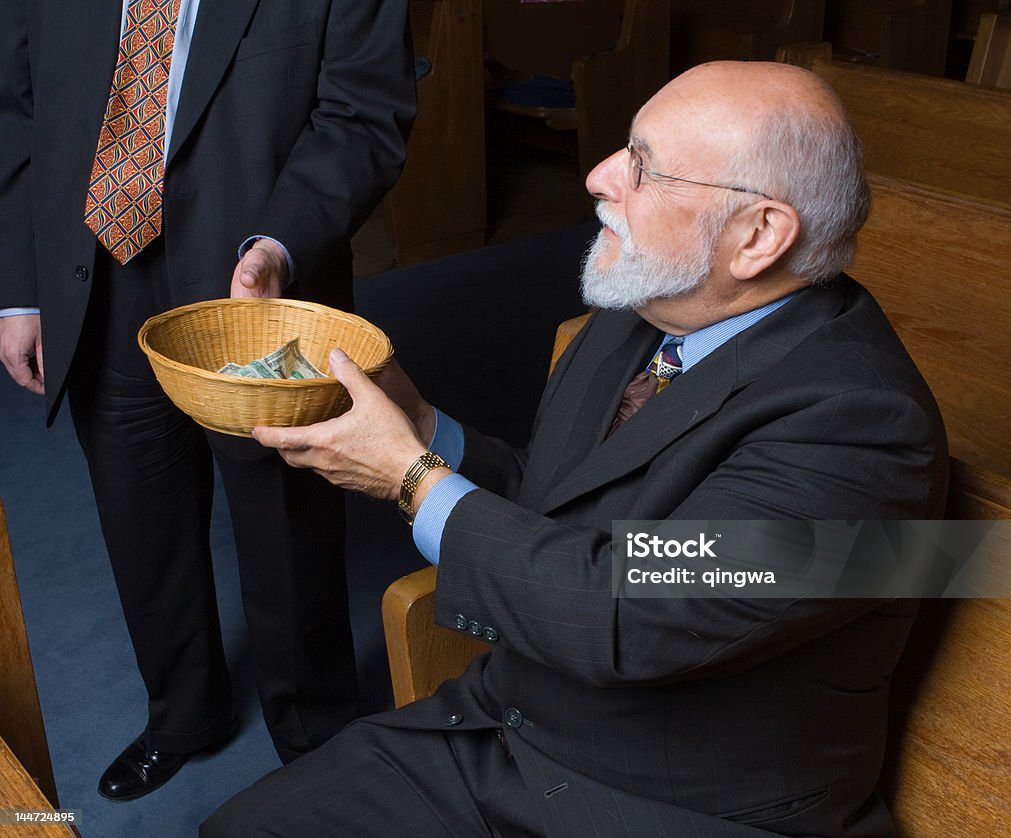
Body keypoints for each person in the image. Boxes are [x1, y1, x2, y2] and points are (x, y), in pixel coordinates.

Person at [203, 61, 948, 836]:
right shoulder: (643, 311)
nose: (597, 176)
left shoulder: (859, 424)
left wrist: (409, 478)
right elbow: (563, 508)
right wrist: (424, 426)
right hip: (513, 730)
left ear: (759, 235)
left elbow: (629, 609)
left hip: (673, 805)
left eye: (645, 168)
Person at [0, 0, 415, 802]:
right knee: (137, 510)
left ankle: (316, 734)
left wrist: (278, 247)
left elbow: (364, 112)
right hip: (97, 269)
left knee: (284, 513)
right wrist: (19, 291)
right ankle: (184, 713)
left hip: (253, 277)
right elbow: (16, 109)